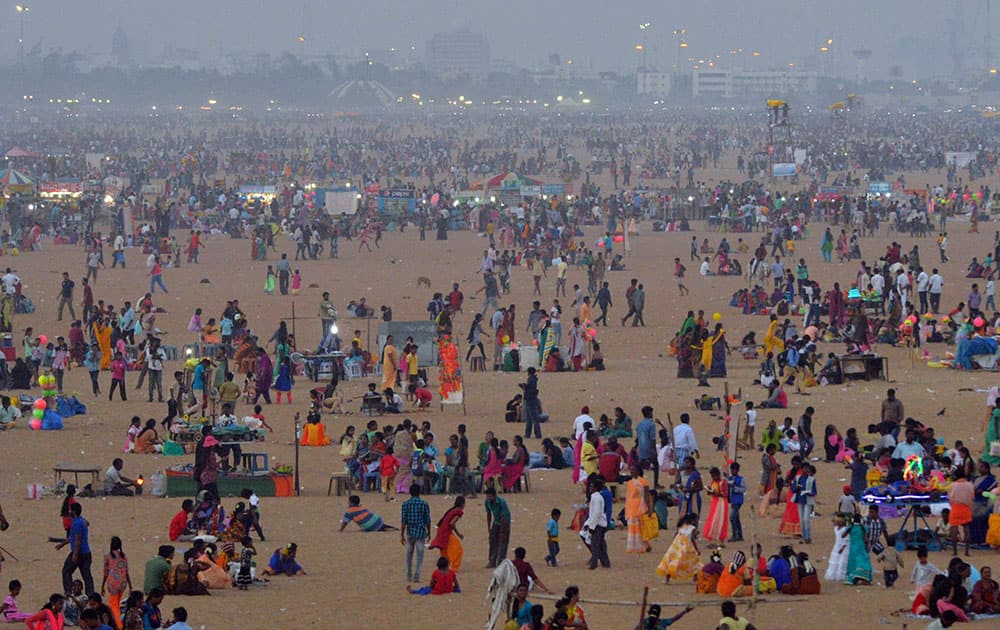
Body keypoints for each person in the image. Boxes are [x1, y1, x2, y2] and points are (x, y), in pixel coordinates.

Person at [57, 502, 94, 596]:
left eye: (70, 510)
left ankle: (68, 592)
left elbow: (77, 539)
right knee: (87, 576)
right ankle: (90, 595)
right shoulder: (81, 521)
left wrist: (75, 554)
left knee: (66, 571)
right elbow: (73, 537)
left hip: (79, 553)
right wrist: (62, 544)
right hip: (87, 553)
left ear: (73, 511)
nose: (69, 511)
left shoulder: (76, 523)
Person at [656, 513, 701, 584]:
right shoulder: (692, 528)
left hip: (676, 546)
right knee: (694, 562)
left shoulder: (681, 526)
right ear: (693, 520)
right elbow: (692, 539)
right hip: (687, 547)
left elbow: (676, 536)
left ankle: (667, 579)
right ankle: (695, 578)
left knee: (672, 562)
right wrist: (697, 549)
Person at [400, 484, 431, 583]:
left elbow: (403, 521)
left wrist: (401, 535)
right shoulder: (424, 504)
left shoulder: (405, 504)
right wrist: (429, 532)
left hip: (410, 532)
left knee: (409, 554)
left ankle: (409, 574)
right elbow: (427, 520)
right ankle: (416, 575)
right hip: (421, 532)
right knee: (420, 555)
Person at [428, 496, 465, 573]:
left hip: (441, 530)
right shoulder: (459, 511)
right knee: (458, 550)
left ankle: (444, 567)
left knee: (444, 550)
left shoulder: (452, 510)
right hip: (446, 532)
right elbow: (452, 523)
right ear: (463, 504)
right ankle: (454, 568)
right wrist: (458, 534)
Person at [101, 536, 131, 625]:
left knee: (113, 606)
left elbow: (105, 573)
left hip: (113, 584)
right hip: (123, 583)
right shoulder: (123, 556)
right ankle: (118, 622)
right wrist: (130, 586)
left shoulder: (108, 556)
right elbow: (126, 572)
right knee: (117, 604)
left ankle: (118, 625)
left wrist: (102, 585)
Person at [625, 464, 652, 553]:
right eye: (631, 470)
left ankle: (644, 545)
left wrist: (649, 507)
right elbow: (628, 496)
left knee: (641, 527)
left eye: (634, 470)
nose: (632, 472)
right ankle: (633, 546)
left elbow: (647, 496)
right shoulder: (629, 482)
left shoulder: (643, 482)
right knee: (632, 526)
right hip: (631, 506)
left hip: (640, 506)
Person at [584, 477, 610, 569]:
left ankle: (594, 563)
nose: (590, 488)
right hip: (600, 524)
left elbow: (596, 513)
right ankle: (605, 562)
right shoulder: (597, 497)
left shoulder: (596, 498)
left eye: (591, 486)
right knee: (601, 544)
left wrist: (592, 526)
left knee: (595, 545)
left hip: (598, 525)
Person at [948, 468, 974, 556]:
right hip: (966, 508)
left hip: (955, 507)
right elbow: (972, 496)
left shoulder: (953, 485)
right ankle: (967, 551)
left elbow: (950, 497)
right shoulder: (969, 485)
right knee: (967, 529)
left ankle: (955, 551)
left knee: (954, 530)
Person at [485, 487, 511, 569]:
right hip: (496, 521)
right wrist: (489, 527)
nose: (489, 498)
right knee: (492, 541)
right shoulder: (487, 502)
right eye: (487, 496)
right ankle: (492, 561)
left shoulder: (501, 502)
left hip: (504, 522)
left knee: (502, 542)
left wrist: (502, 530)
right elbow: (488, 513)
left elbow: (504, 516)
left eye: (490, 497)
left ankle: (500, 562)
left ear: (494, 496)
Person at [702, 466, 729, 544]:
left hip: (721, 503)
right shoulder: (713, 482)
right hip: (715, 502)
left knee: (720, 521)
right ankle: (714, 540)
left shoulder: (722, 482)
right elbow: (710, 493)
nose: (713, 477)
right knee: (713, 520)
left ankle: (721, 541)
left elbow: (725, 494)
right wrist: (709, 491)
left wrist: (716, 493)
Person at [845, 513, 873, 584]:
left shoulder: (850, 527)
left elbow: (843, 535)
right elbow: (866, 540)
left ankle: (852, 578)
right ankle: (864, 577)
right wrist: (867, 546)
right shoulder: (863, 528)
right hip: (861, 547)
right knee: (864, 561)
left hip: (853, 548)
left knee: (853, 563)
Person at [727, 462, 746, 542]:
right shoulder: (730, 479)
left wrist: (734, 487)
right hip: (733, 500)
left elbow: (743, 489)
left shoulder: (741, 479)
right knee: (736, 518)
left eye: (734, 470)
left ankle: (735, 535)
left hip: (738, 500)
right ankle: (740, 535)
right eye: (732, 469)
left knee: (732, 517)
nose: (733, 471)